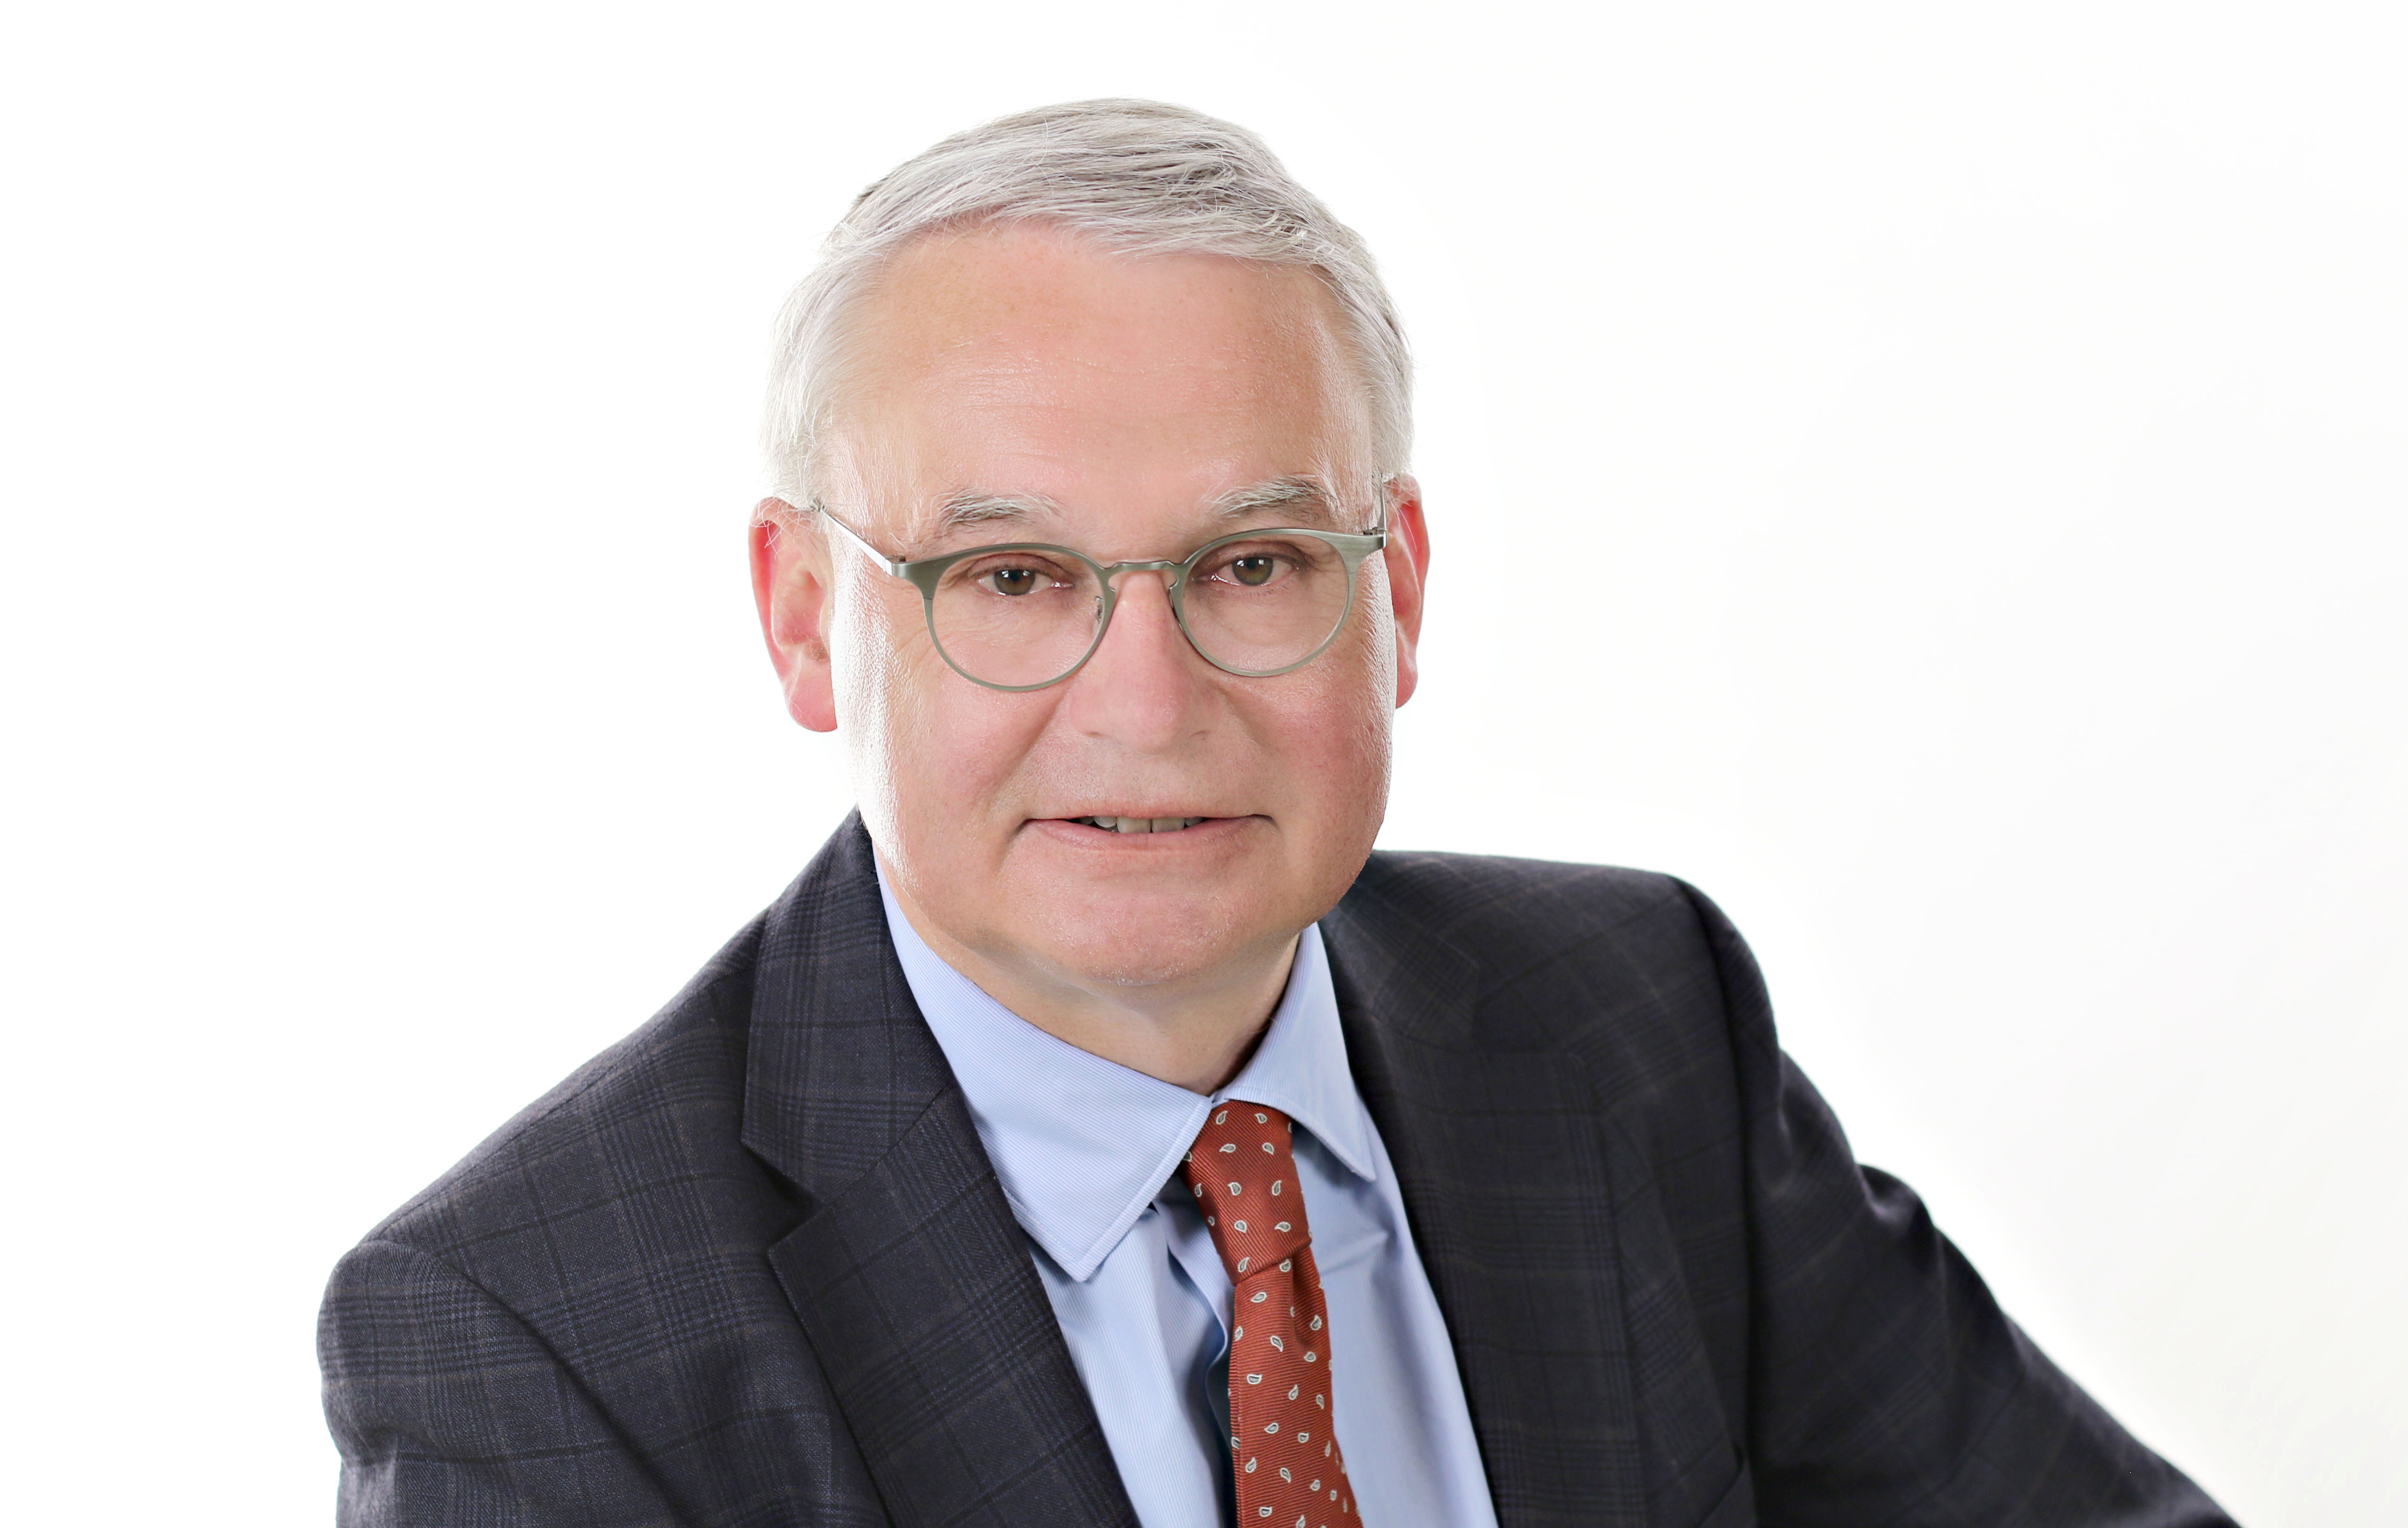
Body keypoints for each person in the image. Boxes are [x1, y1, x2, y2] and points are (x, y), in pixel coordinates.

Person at [317, 100, 2234, 1528]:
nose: (1145, 710)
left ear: (1391, 584)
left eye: (1246, 564)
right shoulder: (537, 1334)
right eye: (1011, 583)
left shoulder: (1636, 1022)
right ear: (807, 624)